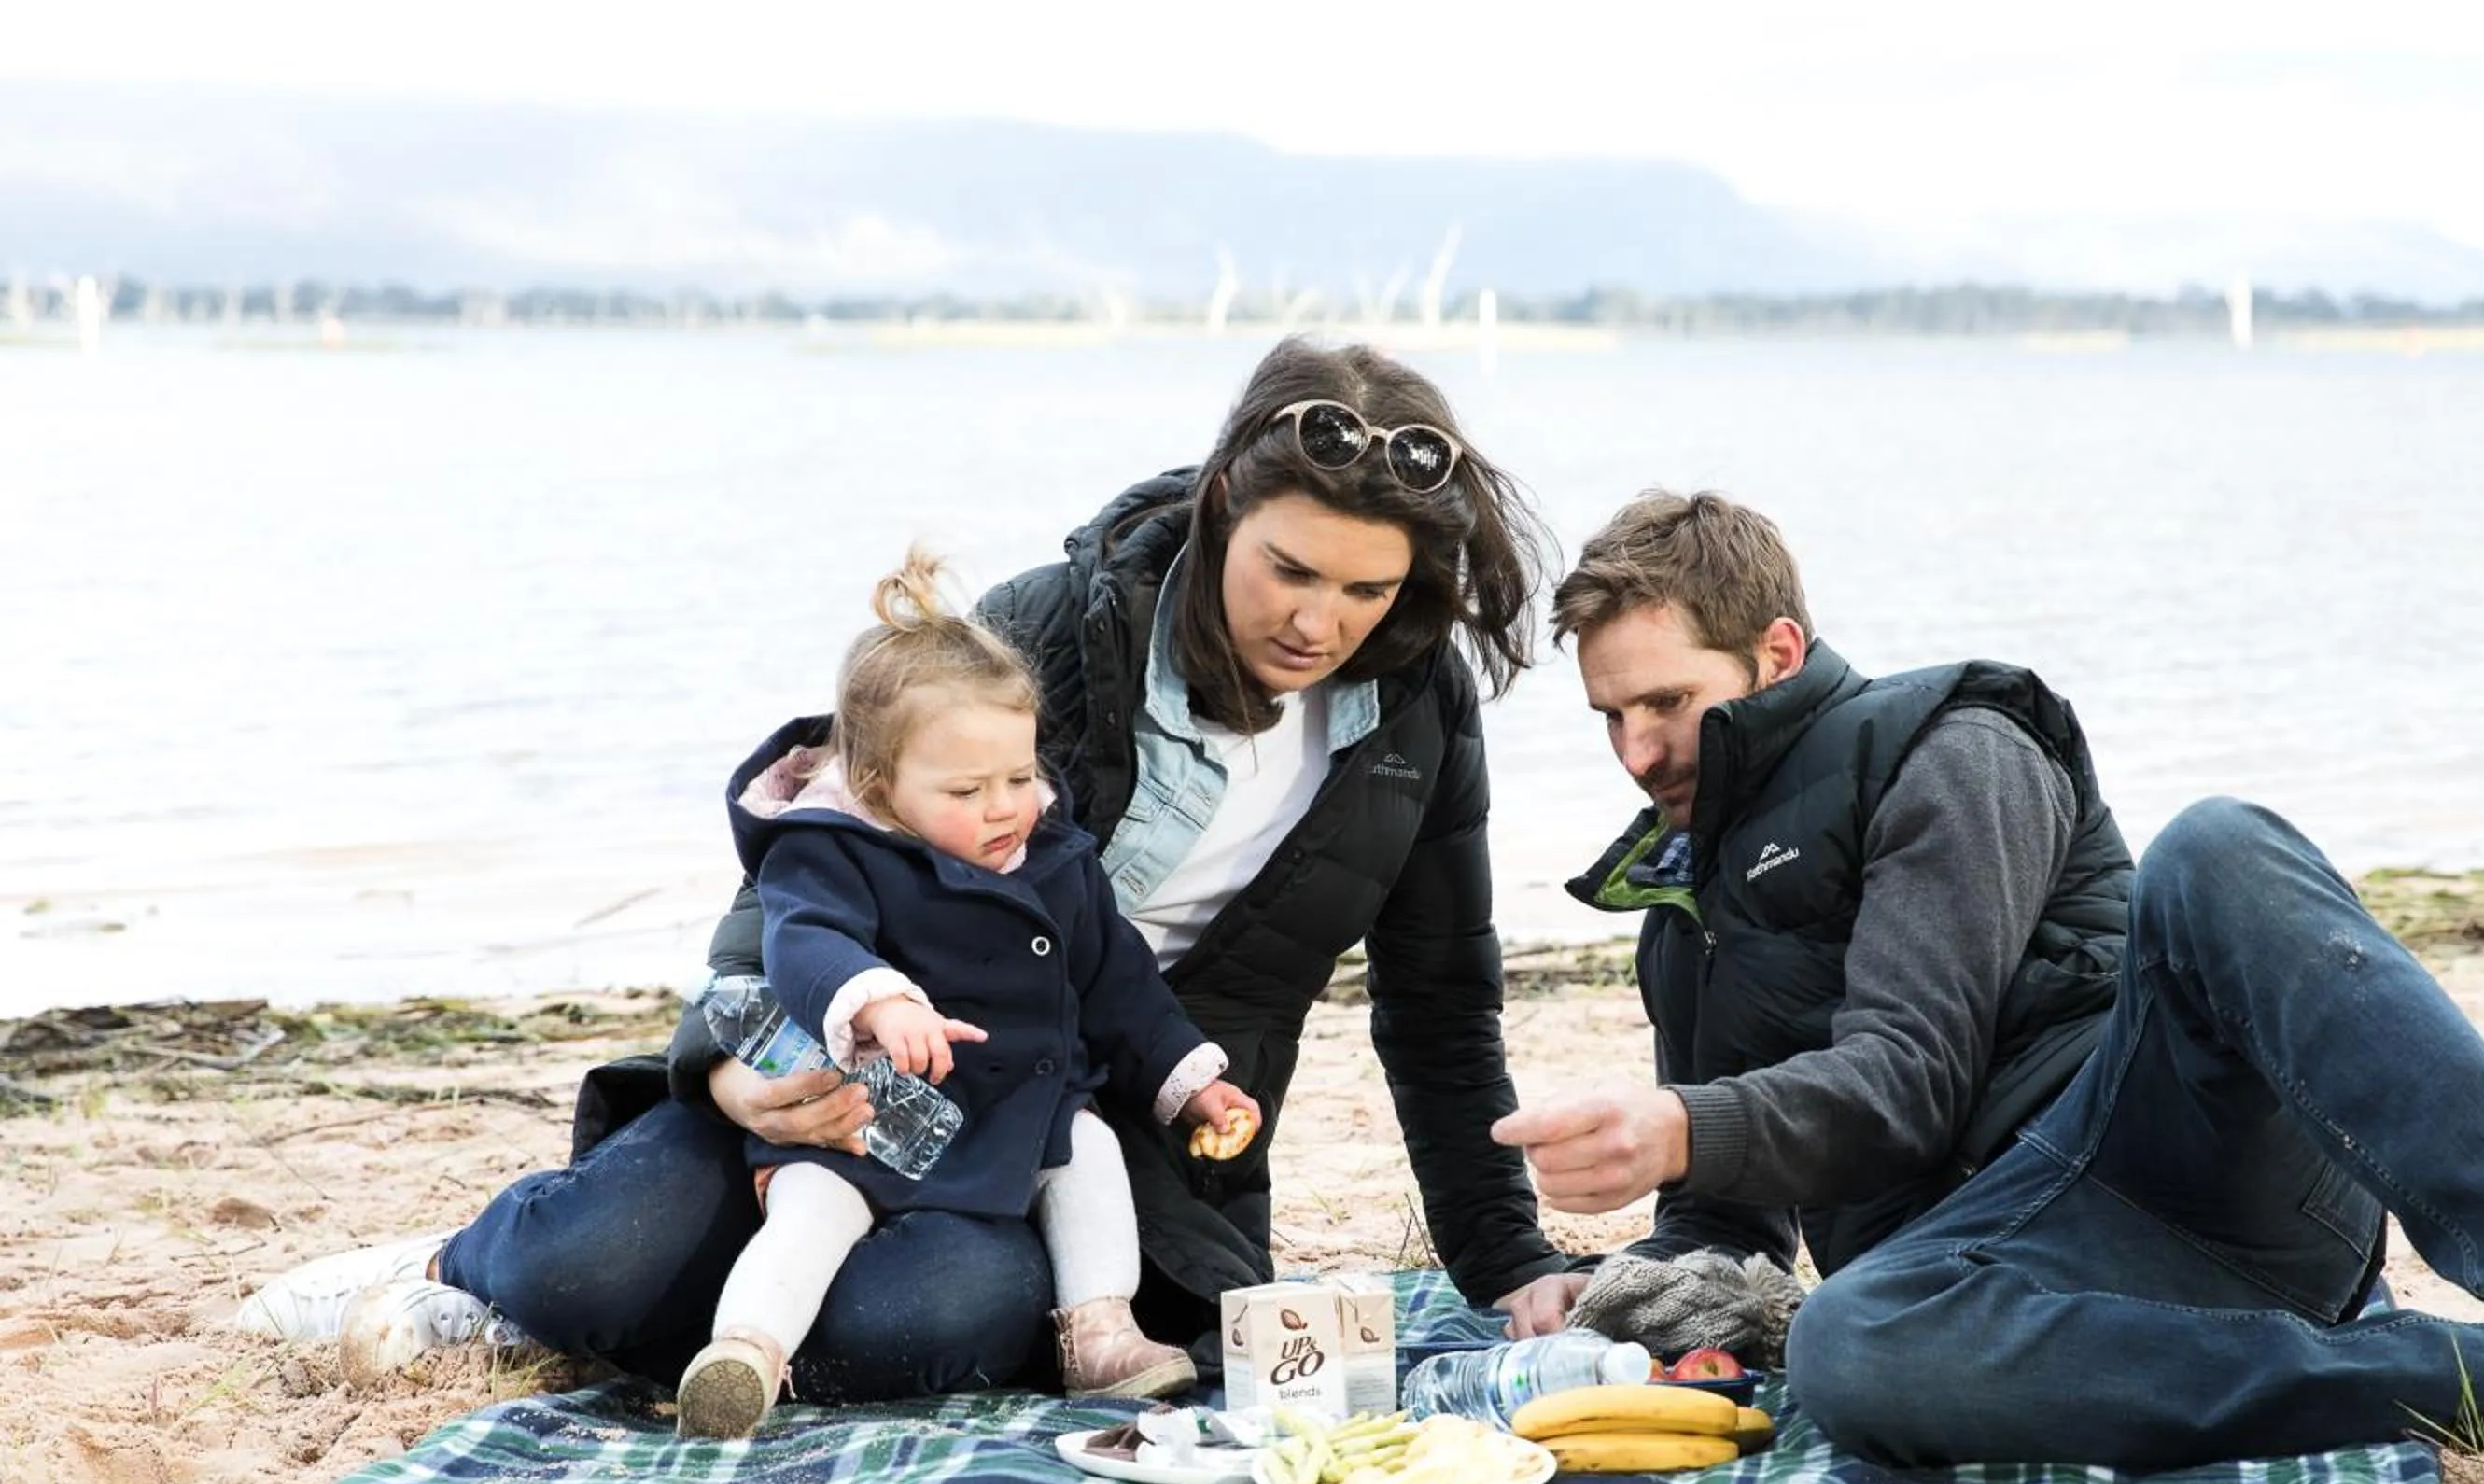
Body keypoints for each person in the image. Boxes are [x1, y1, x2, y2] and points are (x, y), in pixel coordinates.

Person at [1492, 489, 2484, 1484]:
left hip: (2174, 1163)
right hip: (1987, 1283)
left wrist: (1679, 1126)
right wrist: (1636, 1277)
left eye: (1664, 701)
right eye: (1609, 716)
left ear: (1775, 654)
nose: (1636, 748)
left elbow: (1908, 1078)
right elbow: (1742, 1208)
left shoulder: (1950, 749)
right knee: (1846, 1350)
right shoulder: (1682, 916)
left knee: (2218, 849)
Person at [239, 337, 1572, 1405]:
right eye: (1290, 570)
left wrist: (1508, 1261)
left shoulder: (1415, 717)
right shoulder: (1048, 631)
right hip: (866, 1076)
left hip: (1108, 1145)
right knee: (596, 1256)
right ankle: (469, 1270)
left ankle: (683, 1337)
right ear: (1225, 502)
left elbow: (1442, 1007)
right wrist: (735, 1068)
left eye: (1367, 593)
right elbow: (790, 895)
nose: (1317, 622)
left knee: (925, 1329)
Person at [676, 549, 1263, 1436]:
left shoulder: (1058, 863)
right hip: (866, 1110)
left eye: (1020, 779)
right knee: (809, 1211)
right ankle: (745, 1355)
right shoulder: (827, 853)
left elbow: (1121, 986)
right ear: (879, 786)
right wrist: (879, 1000)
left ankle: (1101, 1332)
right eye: (965, 790)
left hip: (1023, 1107)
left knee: (1090, 1157)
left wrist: (1189, 1081)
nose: (1004, 809)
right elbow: (803, 941)